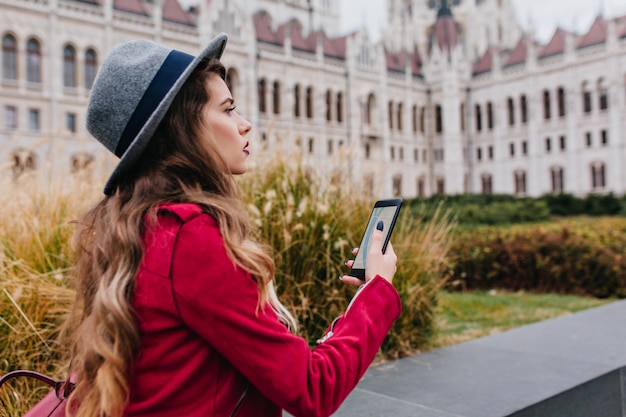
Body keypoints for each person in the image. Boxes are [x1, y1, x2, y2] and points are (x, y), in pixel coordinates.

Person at [63, 33, 401, 417]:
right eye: (228, 110)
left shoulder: (130, 226)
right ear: (184, 128)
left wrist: (359, 303)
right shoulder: (189, 238)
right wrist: (377, 290)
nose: (245, 125)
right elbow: (312, 388)